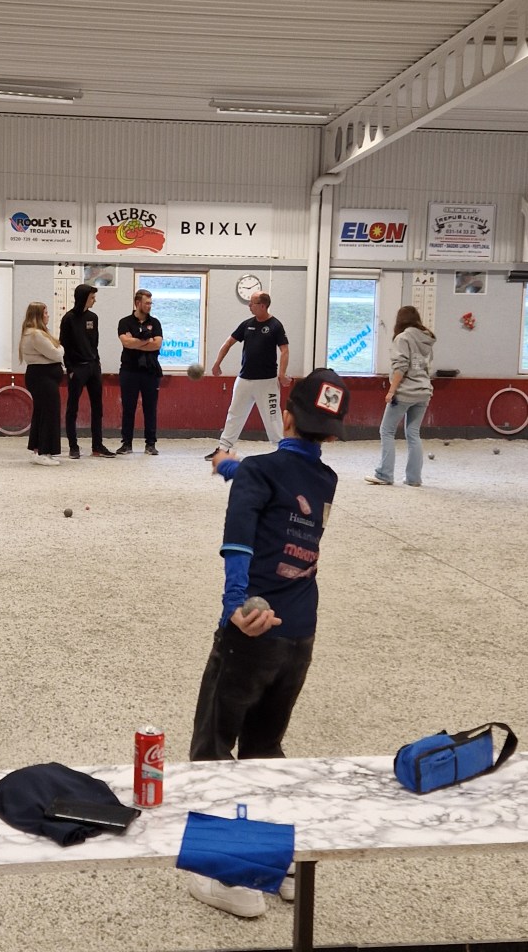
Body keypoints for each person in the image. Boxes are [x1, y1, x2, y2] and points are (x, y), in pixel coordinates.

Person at [188, 368, 350, 918]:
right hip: (299, 636)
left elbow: (238, 543)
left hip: (252, 633)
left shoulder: (261, 472)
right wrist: (230, 467)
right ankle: (280, 866)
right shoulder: (325, 481)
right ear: (331, 434)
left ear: (287, 413)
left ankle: (231, 881)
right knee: (265, 748)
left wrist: (236, 606)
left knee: (213, 747)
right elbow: (284, 490)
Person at [204, 292, 290, 461]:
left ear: (263, 306)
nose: (249, 306)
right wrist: (217, 363)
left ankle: (284, 451)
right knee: (234, 414)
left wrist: (282, 374)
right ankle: (223, 448)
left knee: (273, 418)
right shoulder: (247, 324)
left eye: (252, 303)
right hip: (244, 380)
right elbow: (228, 342)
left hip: (267, 382)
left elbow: (285, 350)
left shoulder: (275, 325)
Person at [365, 306, 436, 487]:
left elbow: (401, 367)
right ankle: (414, 478)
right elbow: (427, 367)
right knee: (413, 433)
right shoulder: (427, 339)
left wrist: (391, 390)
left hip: (405, 392)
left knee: (386, 431)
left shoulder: (402, 338)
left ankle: (385, 474)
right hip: (424, 391)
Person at [59, 283, 116, 459]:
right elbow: (64, 345)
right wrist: (70, 368)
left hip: (93, 367)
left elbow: (94, 342)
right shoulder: (68, 319)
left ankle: (97, 445)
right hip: (77, 368)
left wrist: (96, 362)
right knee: (72, 408)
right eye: (92, 297)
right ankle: (73, 446)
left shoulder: (93, 317)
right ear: (83, 298)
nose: (94, 300)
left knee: (97, 407)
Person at [116, 289, 163, 455]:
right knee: (128, 408)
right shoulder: (125, 322)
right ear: (137, 303)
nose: (149, 306)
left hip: (150, 371)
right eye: (146, 303)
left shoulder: (155, 323)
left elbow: (157, 345)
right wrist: (146, 340)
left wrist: (135, 341)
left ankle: (150, 444)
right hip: (129, 371)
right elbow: (126, 343)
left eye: (151, 303)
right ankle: (126, 443)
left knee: (150, 408)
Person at [18, 302, 64, 466]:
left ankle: (38, 449)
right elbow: (56, 353)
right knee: (49, 413)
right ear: (38, 315)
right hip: (42, 378)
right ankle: (44, 451)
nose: (48, 315)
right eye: (45, 313)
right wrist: (61, 348)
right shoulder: (35, 335)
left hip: (42, 377)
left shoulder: (36, 333)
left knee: (41, 412)